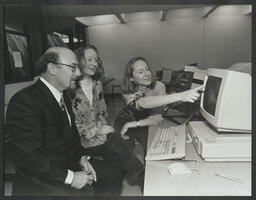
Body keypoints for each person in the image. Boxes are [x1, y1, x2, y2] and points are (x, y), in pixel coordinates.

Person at [6, 47, 123, 196]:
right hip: (40, 178)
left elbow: (71, 137)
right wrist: (71, 177)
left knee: (113, 174)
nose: (79, 73)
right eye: (73, 67)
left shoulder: (63, 96)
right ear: (52, 68)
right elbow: (30, 158)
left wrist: (82, 158)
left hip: (67, 163)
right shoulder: (25, 101)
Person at [66, 45, 144, 188]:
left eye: (96, 60)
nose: (94, 63)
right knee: (118, 145)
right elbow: (69, 124)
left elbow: (102, 112)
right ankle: (144, 177)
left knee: (118, 161)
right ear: (79, 61)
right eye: (89, 59)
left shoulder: (97, 84)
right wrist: (97, 131)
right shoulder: (69, 87)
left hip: (98, 138)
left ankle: (140, 178)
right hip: (80, 143)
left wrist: (104, 126)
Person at [114, 57, 204, 151]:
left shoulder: (159, 86)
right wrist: (181, 96)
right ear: (131, 78)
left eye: (147, 69)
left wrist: (133, 124)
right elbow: (143, 103)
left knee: (150, 150)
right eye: (141, 72)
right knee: (124, 151)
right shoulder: (127, 90)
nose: (147, 74)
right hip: (124, 121)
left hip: (143, 123)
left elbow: (157, 118)